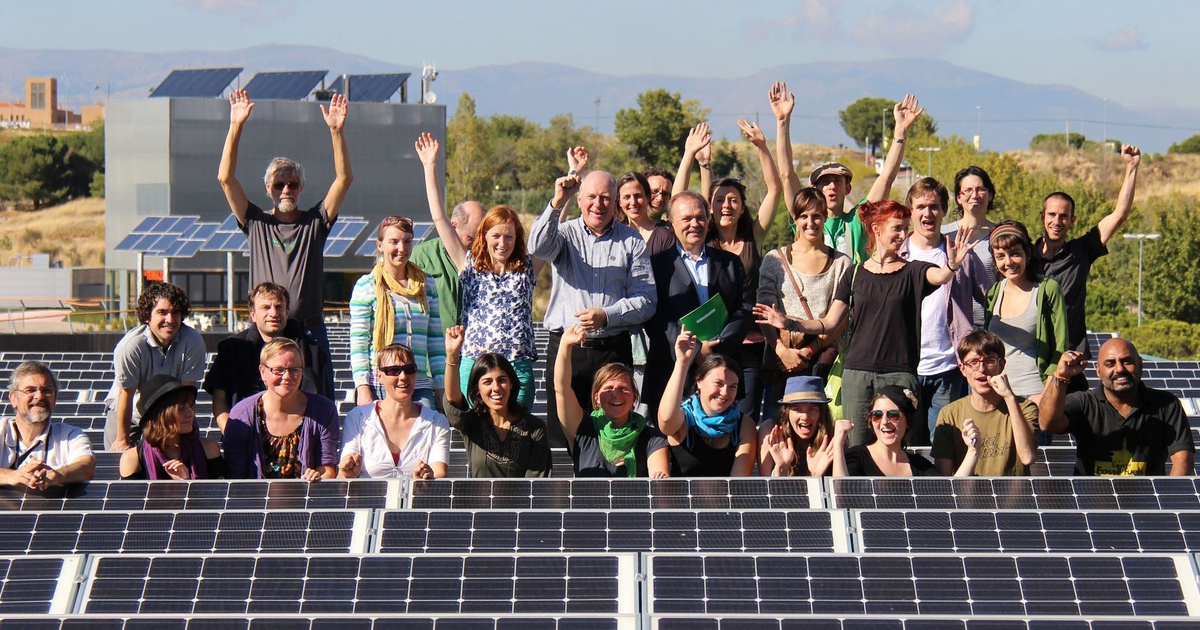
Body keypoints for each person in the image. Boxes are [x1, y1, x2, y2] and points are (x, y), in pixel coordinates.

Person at [754, 199, 976, 446]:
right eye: (897, 228)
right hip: (857, 374)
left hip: (899, 374)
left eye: (905, 228)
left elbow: (939, 276)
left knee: (898, 449)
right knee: (856, 449)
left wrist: (952, 265)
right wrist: (790, 324)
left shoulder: (914, 271)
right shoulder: (855, 272)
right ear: (877, 229)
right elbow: (829, 322)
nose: (903, 235)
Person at [216, 89, 353, 387]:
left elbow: (344, 179)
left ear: (302, 187)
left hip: (309, 332)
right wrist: (236, 126)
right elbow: (225, 178)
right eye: (280, 184)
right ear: (268, 188)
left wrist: (336, 132)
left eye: (293, 184)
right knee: (260, 408)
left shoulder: (315, 222)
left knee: (319, 406)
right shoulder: (255, 222)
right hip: (266, 333)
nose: (286, 190)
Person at [530, 169, 656, 448]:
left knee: (614, 437)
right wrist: (556, 202)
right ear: (579, 200)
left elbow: (646, 300)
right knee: (562, 438)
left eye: (605, 198)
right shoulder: (563, 235)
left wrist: (606, 315)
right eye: (591, 197)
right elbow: (536, 245)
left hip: (612, 350)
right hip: (568, 350)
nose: (598, 204)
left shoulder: (632, 241)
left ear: (615, 203)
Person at [416, 133, 538, 409]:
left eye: (509, 237)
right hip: (476, 365)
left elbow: (548, 235)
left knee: (516, 433)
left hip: (516, 365)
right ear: (484, 236)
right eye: (496, 236)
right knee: (479, 435)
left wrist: (562, 198)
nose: (502, 243)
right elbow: (439, 217)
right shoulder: (469, 263)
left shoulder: (526, 267)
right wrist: (429, 166)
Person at [773, 85, 921, 264]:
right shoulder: (805, 219)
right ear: (815, 189)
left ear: (848, 188)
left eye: (837, 181)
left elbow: (886, 178)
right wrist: (782, 121)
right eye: (825, 182)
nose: (832, 186)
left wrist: (900, 132)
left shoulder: (857, 221)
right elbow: (787, 174)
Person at [1035, 145, 1142, 390]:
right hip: (1034, 363)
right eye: (1052, 215)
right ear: (1042, 216)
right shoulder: (1024, 257)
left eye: (1064, 216)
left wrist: (1132, 167)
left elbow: (1120, 213)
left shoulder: (1081, 251)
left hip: (1070, 363)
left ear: (1072, 220)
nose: (1057, 221)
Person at [643, 191, 753, 421]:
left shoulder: (730, 263)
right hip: (671, 372)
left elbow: (743, 309)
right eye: (686, 219)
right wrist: (695, 349)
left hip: (723, 370)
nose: (695, 224)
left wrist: (714, 348)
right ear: (671, 224)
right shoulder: (655, 266)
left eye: (700, 217)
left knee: (721, 445)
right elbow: (653, 316)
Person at [899, 177, 990, 445]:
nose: (928, 213)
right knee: (907, 448)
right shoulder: (897, 254)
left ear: (944, 211)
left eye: (935, 207)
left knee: (943, 447)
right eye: (921, 207)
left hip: (949, 368)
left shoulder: (961, 253)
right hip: (906, 368)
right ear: (911, 211)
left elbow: (991, 299)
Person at [1039, 338, 1195, 476]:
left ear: (1140, 366)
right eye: (1110, 363)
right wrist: (1060, 377)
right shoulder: (1084, 402)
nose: (1119, 369)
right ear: (1099, 372)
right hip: (1091, 505)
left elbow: (1183, 460)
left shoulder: (1166, 405)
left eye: (1127, 361)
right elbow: (1047, 423)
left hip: (1147, 506)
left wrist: (1167, 505)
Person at [756, 187, 852, 388]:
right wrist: (782, 351)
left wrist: (808, 352)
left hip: (824, 359)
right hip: (780, 359)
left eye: (817, 216)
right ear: (795, 218)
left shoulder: (841, 263)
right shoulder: (774, 260)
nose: (811, 223)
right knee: (778, 418)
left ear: (825, 217)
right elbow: (764, 314)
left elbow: (841, 320)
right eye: (804, 216)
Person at [204, 282, 329, 432]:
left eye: (279, 307)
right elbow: (220, 400)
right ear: (252, 314)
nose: (273, 313)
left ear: (287, 312)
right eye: (265, 307)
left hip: (298, 438)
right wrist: (233, 435)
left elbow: (319, 401)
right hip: (244, 437)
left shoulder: (310, 350)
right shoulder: (231, 349)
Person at [350, 216, 445, 410]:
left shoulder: (427, 285)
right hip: (382, 383)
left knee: (426, 431)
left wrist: (441, 385)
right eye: (394, 242)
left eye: (407, 241)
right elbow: (359, 342)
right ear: (380, 245)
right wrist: (362, 387)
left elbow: (435, 341)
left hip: (417, 382)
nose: (401, 248)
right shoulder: (367, 286)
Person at [553, 324, 670, 477]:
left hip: (634, 501)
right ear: (596, 397)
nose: (616, 395)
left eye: (623, 389)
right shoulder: (584, 430)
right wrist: (565, 346)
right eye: (608, 389)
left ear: (635, 395)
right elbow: (562, 389)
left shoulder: (652, 438)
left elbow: (659, 480)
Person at [104, 282, 206, 451]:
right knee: (121, 464)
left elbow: (187, 396)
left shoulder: (193, 342)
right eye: (162, 312)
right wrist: (122, 440)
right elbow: (125, 394)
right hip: (131, 414)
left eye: (175, 313)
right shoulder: (131, 346)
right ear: (147, 316)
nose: (170, 320)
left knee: (191, 454)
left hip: (174, 411)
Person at [223, 339, 339, 481]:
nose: (287, 376)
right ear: (263, 372)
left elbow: (327, 469)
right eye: (278, 370)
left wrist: (316, 476)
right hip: (255, 501)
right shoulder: (241, 415)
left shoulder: (323, 411)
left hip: (307, 499)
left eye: (295, 370)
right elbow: (236, 477)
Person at [443, 326, 551, 478]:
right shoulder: (472, 423)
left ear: (512, 383)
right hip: (477, 501)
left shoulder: (534, 429)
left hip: (522, 502)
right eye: (487, 382)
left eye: (502, 380)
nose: (496, 388)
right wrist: (452, 356)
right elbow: (453, 399)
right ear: (477, 389)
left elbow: (537, 485)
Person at [931, 330, 1038, 476]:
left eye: (989, 361)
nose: (981, 369)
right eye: (973, 362)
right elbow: (944, 480)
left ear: (1002, 365)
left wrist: (1010, 398)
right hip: (967, 497)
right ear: (963, 369)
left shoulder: (1025, 408)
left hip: (1014, 497)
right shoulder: (949, 414)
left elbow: (1028, 457)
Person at [984, 221, 1067, 411]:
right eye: (1000, 256)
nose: (1009, 262)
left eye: (1014, 253)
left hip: (1033, 396)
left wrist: (1046, 394)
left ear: (1027, 255)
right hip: (997, 396)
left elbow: (1060, 347)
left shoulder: (1047, 289)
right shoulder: (993, 293)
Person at [339, 343, 450, 479]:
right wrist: (347, 474)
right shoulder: (357, 417)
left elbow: (440, 474)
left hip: (417, 499)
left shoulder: (437, 423)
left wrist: (428, 477)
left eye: (409, 369)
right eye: (393, 370)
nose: (403, 376)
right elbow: (343, 477)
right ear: (379, 376)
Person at [658, 329, 757, 477]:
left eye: (732, 387)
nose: (724, 392)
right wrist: (682, 363)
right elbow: (665, 420)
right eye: (718, 383)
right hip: (682, 499)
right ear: (699, 381)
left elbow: (739, 481)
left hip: (724, 499)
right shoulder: (683, 417)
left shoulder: (744, 425)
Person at [832, 385, 980, 477]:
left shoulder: (920, 466)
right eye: (877, 415)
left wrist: (973, 451)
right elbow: (841, 493)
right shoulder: (857, 456)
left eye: (893, 415)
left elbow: (949, 494)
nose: (884, 422)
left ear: (907, 421)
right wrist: (838, 444)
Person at [0, 362, 94, 489]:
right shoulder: (2, 430)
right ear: (14, 399)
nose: (39, 396)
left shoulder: (71, 436)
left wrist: (58, 475)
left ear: (54, 399)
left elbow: (86, 466)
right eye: (30, 390)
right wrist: (13, 476)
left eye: (47, 390)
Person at [119, 375, 225, 480]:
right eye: (180, 409)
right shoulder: (133, 459)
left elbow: (217, 494)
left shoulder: (209, 449)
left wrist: (187, 483)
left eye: (190, 406)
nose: (190, 413)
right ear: (160, 416)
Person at [410, 199, 485, 334]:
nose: (477, 244)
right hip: (433, 348)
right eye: (471, 238)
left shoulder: (486, 259)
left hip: (472, 349)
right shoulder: (421, 257)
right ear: (453, 226)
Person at [945, 165, 999, 324]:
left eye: (981, 189)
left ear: (990, 195)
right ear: (958, 198)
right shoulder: (944, 235)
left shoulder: (1002, 235)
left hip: (996, 323)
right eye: (967, 190)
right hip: (955, 325)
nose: (975, 195)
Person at [759, 375, 835, 477]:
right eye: (797, 409)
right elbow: (766, 488)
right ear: (786, 412)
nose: (805, 416)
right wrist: (781, 468)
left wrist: (817, 476)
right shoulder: (771, 431)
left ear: (822, 413)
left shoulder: (833, 436)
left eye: (812, 409)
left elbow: (842, 488)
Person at [618, 171, 676, 255]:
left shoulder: (664, 236)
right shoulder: (613, 233)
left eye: (638, 196)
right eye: (627, 197)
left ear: (648, 197)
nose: (633, 202)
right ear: (619, 201)